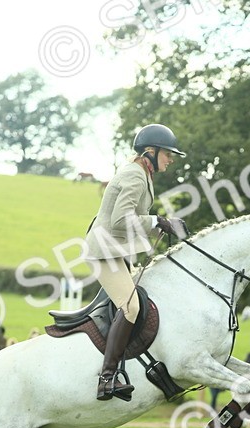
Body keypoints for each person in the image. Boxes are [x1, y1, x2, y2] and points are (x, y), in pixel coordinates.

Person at [85, 123, 189, 401]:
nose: (171, 160)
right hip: (105, 251)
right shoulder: (134, 174)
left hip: (116, 251)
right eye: (168, 154)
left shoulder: (141, 173)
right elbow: (121, 219)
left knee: (145, 301)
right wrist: (158, 220)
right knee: (130, 307)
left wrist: (163, 226)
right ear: (151, 151)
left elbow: (130, 221)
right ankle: (106, 379)